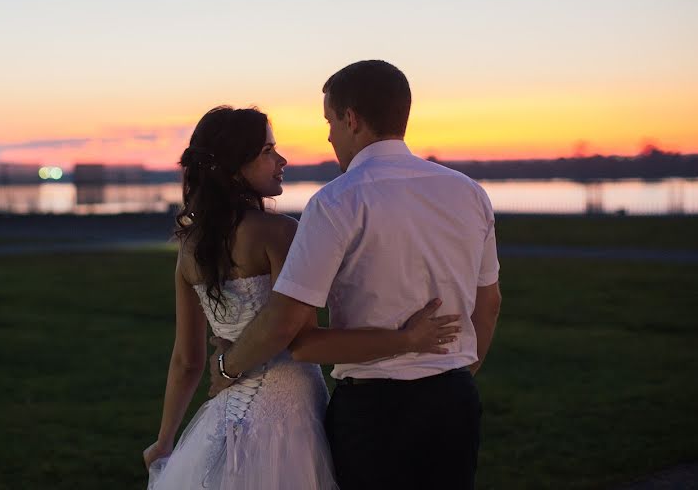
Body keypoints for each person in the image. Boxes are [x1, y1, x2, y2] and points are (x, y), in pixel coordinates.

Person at [209, 61, 502, 490]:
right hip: (454, 401)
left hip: (374, 411)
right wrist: (452, 373)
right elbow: (489, 304)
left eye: (329, 121)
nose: (328, 136)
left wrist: (227, 367)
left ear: (351, 119)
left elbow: (295, 331)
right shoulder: (469, 193)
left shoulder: (337, 201)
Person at [143, 105, 462, 490]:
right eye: (266, 151)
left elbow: (187, 360)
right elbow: (299, 338)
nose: (282, 159)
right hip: (289, 418)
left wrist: (165, 441)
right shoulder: (279, 233)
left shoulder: (190, 248)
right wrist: (407, 340)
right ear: (233, 166)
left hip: (226, 418)